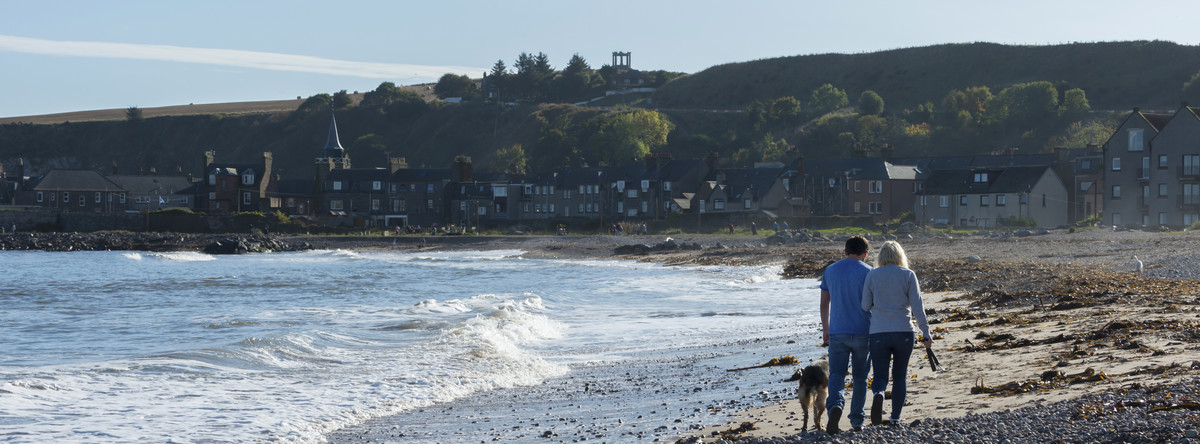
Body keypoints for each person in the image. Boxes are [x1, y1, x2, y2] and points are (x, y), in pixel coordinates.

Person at [861, 240, 932, 427]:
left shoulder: (872, 275)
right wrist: (926, 332)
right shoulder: (908, 275)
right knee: (900, 375)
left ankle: (878, 394)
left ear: (881, 257)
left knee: (880, 375)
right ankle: (895, 418)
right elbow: (918, 307)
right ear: (901, 256)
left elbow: (865, 305)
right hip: (904, 332)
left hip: (878, 332)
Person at [819, 236, 872, 434]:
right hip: (863, 331)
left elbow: (824, 304)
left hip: (837, 331)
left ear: (845, 251)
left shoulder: (830, 270)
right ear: (865, 254)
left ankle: (835, 407)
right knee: (860, 377)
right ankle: (857, 419)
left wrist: (826, 328)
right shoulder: (869, 272)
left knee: (837, 374)